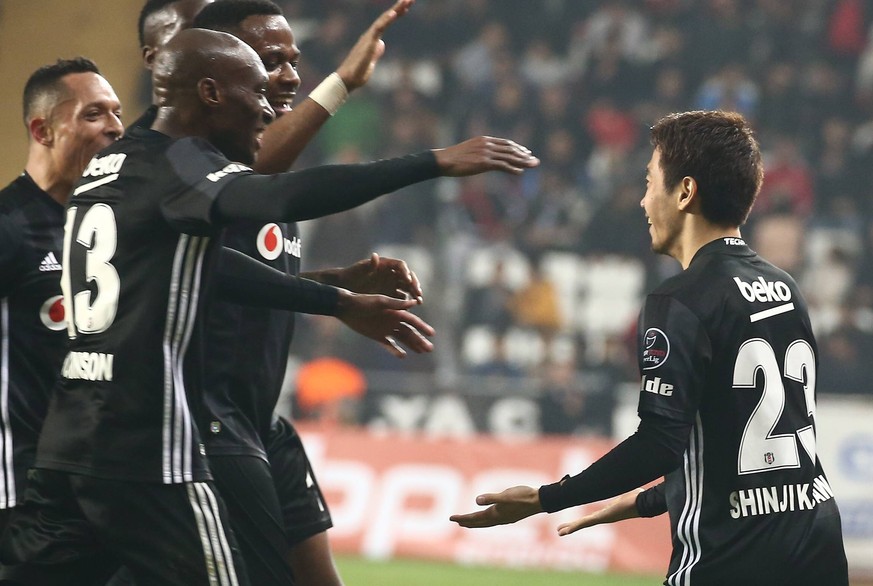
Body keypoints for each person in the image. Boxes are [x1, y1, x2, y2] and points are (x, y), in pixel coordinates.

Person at [0, 29, 537, 586]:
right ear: (210, 93)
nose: (264, 109)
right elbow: (281, 195)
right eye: (254, 91)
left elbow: (214, 272)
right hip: (147, 445)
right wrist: (432, 162)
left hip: (68, 445)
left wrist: (332, 296)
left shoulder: (106, 172)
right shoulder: (179, 163)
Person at [450, 110, 849, 586]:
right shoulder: (784, 287)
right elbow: (750, 453)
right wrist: (644, 501)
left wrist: (546, 498)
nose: (643, 201)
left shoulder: (679, 300)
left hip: (731, 558)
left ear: (684, 192)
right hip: (817, 544)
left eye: (649, 181)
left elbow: (660, 442)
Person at [191, 1, 422, 584]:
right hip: (205, 427)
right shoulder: (196, 165)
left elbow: (247, 282)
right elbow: (249, 180)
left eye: (294, 60)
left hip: (260, 421)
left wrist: (335, 284)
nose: (291, 75)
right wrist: (343, 83)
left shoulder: (268, 170)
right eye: (271, 62)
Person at [0, 57, 122, 533]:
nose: (115, 128)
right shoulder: (10, 228)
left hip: (98, 485)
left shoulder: (111, 229)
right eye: (94, 115)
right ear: (43, 130)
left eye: (116, 113)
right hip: (21, 495)